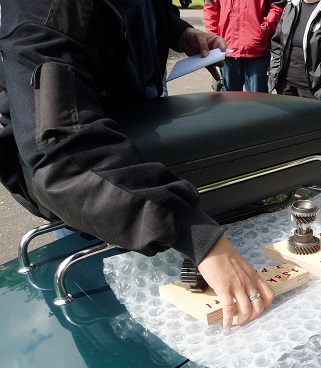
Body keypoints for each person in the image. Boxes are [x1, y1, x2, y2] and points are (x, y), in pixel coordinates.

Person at [0, 0, 274, 330]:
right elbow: (64, 157)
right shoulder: (46, 10)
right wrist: (199, 236)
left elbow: (143, 12)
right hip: (94, 191)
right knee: (110, 319)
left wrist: (180, 32)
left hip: (142, 167)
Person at [268, 0, 321, 102]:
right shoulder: (291, 7)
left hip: (314, 91)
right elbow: (277, 44)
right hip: (285, 86)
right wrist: (274, 71)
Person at [203, 0, 284, 93]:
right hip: (227, 49)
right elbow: (210, 6)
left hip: (257, 50)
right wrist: (214, 37)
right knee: (229, 98)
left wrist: (265, 28)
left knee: (259, 99)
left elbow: (278, 4)